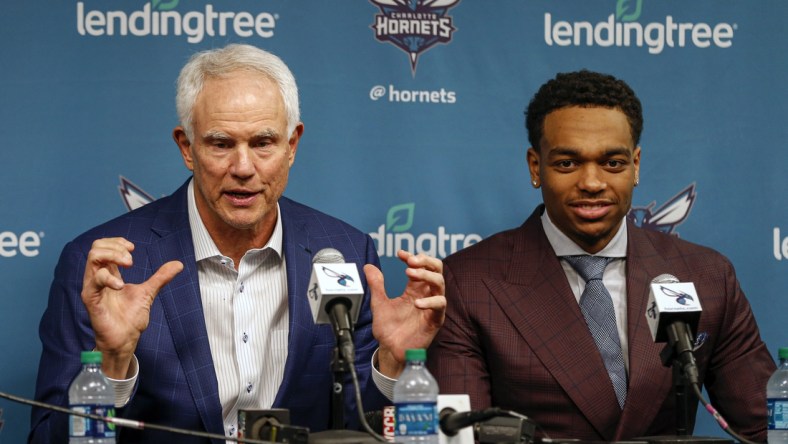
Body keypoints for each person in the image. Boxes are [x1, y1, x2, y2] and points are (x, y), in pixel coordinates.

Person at [29, 43, 446, 443]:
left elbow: (357, 428)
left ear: (292, 145)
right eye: (221, 144)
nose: (243, 167)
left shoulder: (345, 252)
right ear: (187, 148)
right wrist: (112, 362)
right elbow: (48, 437)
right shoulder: (109, 269)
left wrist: (392, 363)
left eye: (263, 143)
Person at [427, 70, 775, 441]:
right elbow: (458, 435)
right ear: (535, 166)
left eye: (613, 163)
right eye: (567, 163)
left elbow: (766, 427)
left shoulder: (706, 276)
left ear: (636, 165)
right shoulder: (468, 282)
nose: (592, 183)